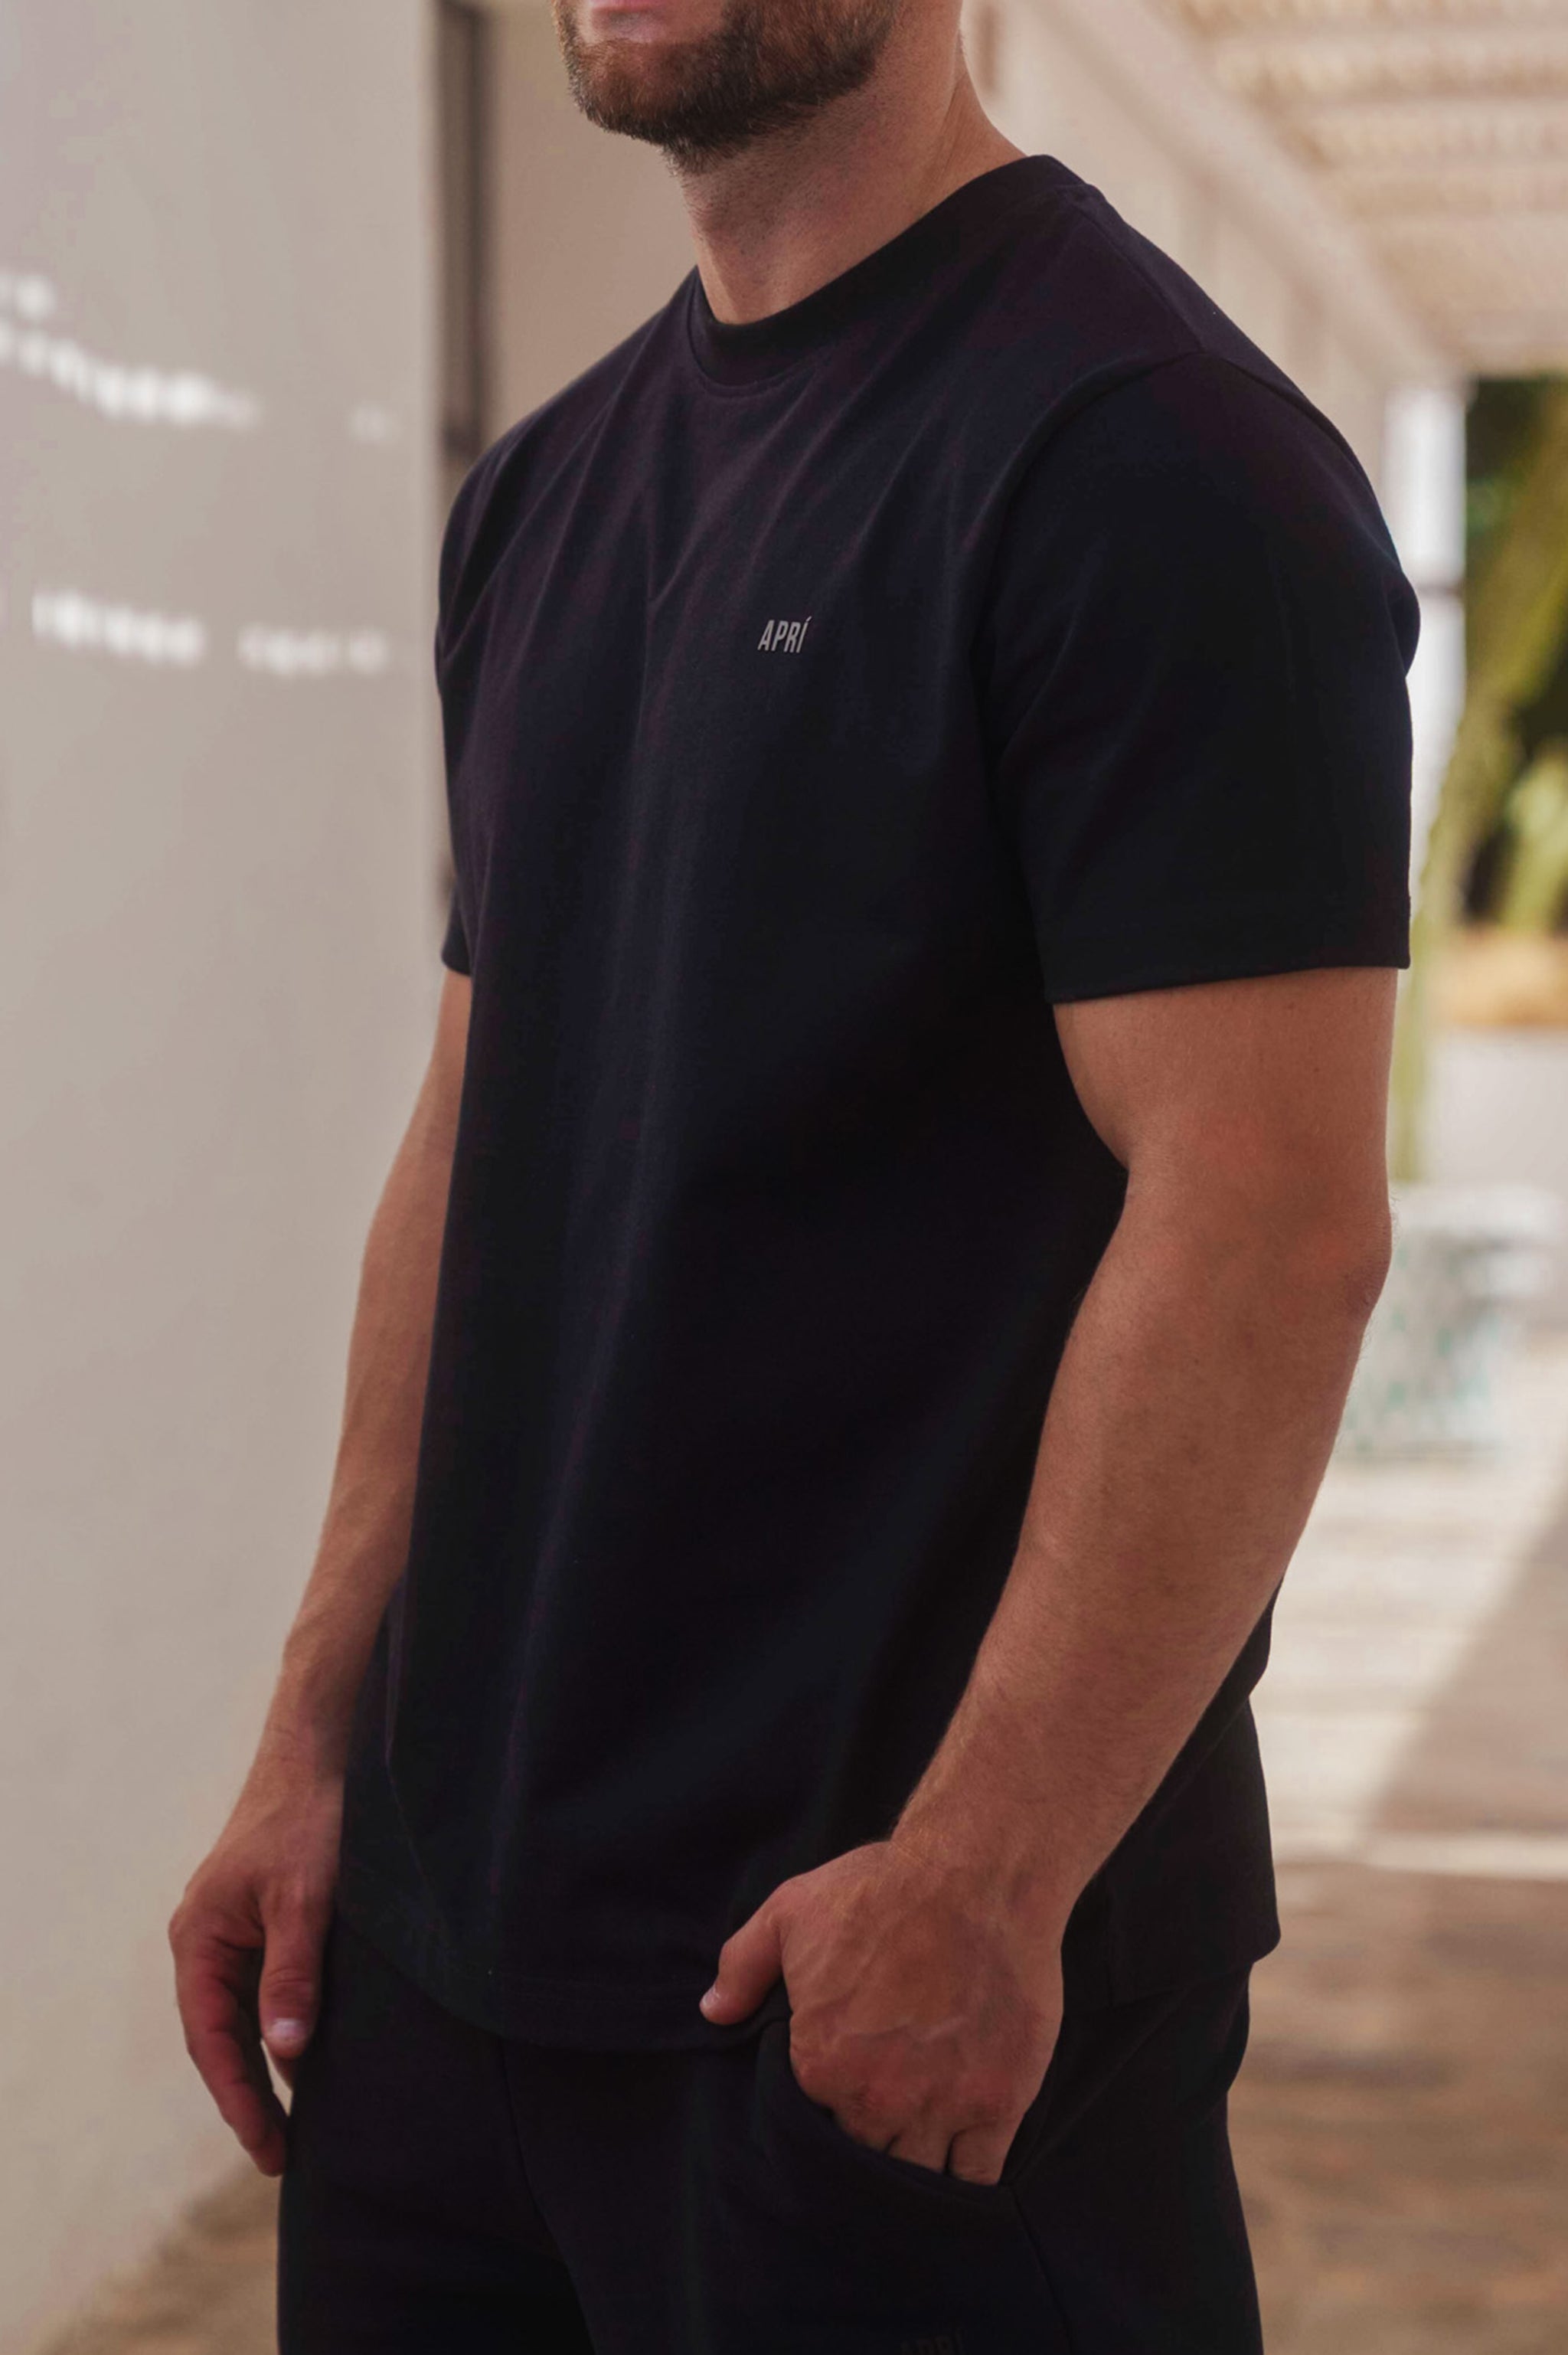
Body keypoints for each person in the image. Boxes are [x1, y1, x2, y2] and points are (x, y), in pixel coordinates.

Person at [170, 2, 1418, 2347]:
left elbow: (1268, 1224)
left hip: (874, 2003)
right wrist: (312, 1735)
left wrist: (986, 1873)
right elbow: (475, 1138)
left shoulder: (1154, 461)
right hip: (448, 1986)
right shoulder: (545, 495)